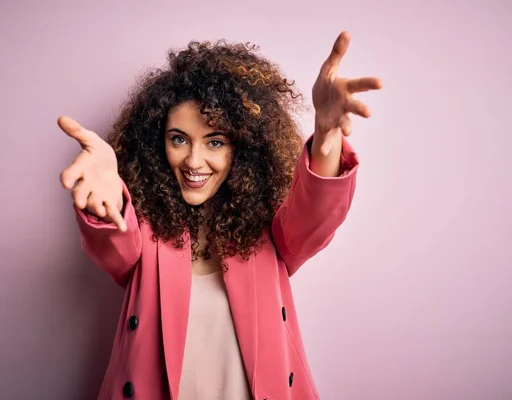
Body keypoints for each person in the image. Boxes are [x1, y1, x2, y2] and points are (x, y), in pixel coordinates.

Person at [58, 31, 382, 400]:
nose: (194, 162)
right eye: (178, 139)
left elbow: (316, 213)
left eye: (215, 142)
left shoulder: (272, 236)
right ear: (155, 142)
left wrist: (326, 134)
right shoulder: (145, 232)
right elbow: (115, 244)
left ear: (243, 147)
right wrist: (108, 203)